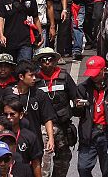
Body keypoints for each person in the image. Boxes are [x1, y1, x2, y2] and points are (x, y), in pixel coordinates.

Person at [33, 47, 79, 177]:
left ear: (55, 61)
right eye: (43, 60)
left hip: (62, 127)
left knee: (63, 160)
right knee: (43, 162)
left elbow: (75, 96)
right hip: (42, 127)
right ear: (39, 62)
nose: (47, 62)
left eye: (50, 59)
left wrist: (78, 104)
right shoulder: (35, 79)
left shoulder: (64, 77)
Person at [75, 56, 108, 177]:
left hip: (107, 134)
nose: (93, 76)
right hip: (89, 133)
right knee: (83, 167)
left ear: (104, 70)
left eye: (96, 73)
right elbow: (77, 113)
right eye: (91, 74)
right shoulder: (83, 88)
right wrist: (77, 107)